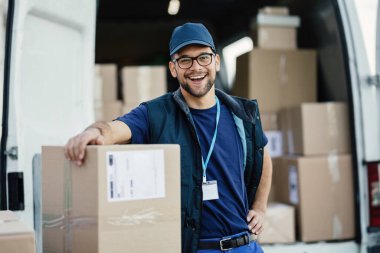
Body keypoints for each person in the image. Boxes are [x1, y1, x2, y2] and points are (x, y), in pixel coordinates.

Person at [65, 22, 272, 253]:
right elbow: (114, 130)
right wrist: (93, 132)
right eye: (185, 60)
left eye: (203, 57)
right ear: (173, 68)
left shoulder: (241, 115)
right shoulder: (155, 114)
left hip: (246, 246)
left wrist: (260, 208)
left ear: (216, 61)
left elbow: (263, 157)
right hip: (197, 248)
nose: (196, 68)